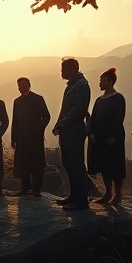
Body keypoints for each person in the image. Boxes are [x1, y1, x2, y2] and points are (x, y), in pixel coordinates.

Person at [52, 58, 91, 211]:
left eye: (63, 69)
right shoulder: (73, 85)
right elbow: (65, 109)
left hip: (74, 131)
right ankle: (74, 195)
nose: (61, 72)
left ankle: (81, 200)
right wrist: (58, 124)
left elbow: (78, 111)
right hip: (67, 130)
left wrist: (62, 123)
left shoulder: (81, 86)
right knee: (68, 163)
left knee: (76, 165)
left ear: (72, 69)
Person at [87, 68, 126, 206]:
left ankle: (118, 194)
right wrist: (91, 132)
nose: (100, 83)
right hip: (100, 138)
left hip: (113, 137)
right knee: (104, 166)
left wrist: (113, 135)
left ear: (110, 82)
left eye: (102, 80)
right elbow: (93, 118)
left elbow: (118, 118)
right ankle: (107, 193)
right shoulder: (99, 100)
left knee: (115, 165)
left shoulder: (118, 98)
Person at [10, 77, 51, 197]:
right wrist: (13, 138)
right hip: (21, 137)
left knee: (37, 162)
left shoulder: (38, 99)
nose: (20, 87)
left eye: (23, 84)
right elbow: (15, 121)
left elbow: (46, 116)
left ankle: (37, 188)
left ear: (29, 85)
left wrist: (38, 130)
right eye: (19, 85)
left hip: (35, 137)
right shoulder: (17, 101)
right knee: (23, 162)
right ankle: (25, 187)